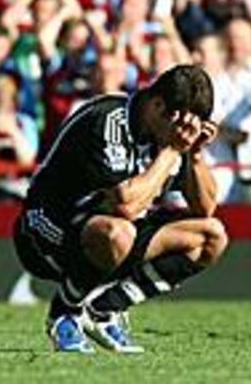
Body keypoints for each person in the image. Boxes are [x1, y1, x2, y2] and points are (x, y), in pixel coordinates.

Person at [13, 65, 228, 353]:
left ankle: (103, 310)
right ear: (157, 105)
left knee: (211, 236)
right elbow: (125, 205)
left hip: (110, 231)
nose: (183, 133)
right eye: (179, 124)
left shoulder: (170, 136)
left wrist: (195, 154)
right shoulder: (108, 121)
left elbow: (205, 207)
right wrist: (173, 150)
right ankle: (64, 313)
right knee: (118, 233)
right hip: (47, 227)